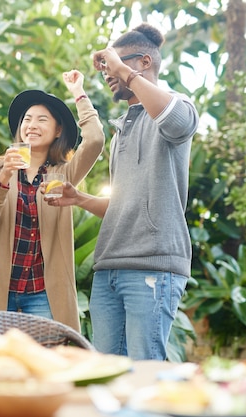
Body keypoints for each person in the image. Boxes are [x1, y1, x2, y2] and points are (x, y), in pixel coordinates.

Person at [46, 23, 199, 359]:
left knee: (145, 373)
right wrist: (80, 199)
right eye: (106, 68)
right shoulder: (122, 130)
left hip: (152, 268)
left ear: (144, 62)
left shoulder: (178, 105)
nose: (108, 74)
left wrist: (123, 72)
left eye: (115, 63)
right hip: (109, 269)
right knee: (106, 372)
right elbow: (124, 203)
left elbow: (177, 123)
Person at [0, 70, 105, 331]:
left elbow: (96, 140)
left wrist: (78, 93)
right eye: (27, 119)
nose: (31, 125)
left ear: (58, 131)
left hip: (44, 293)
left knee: (50, 364)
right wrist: (5, 178)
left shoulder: (64, 174)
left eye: (42, 120)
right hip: (0, 290)